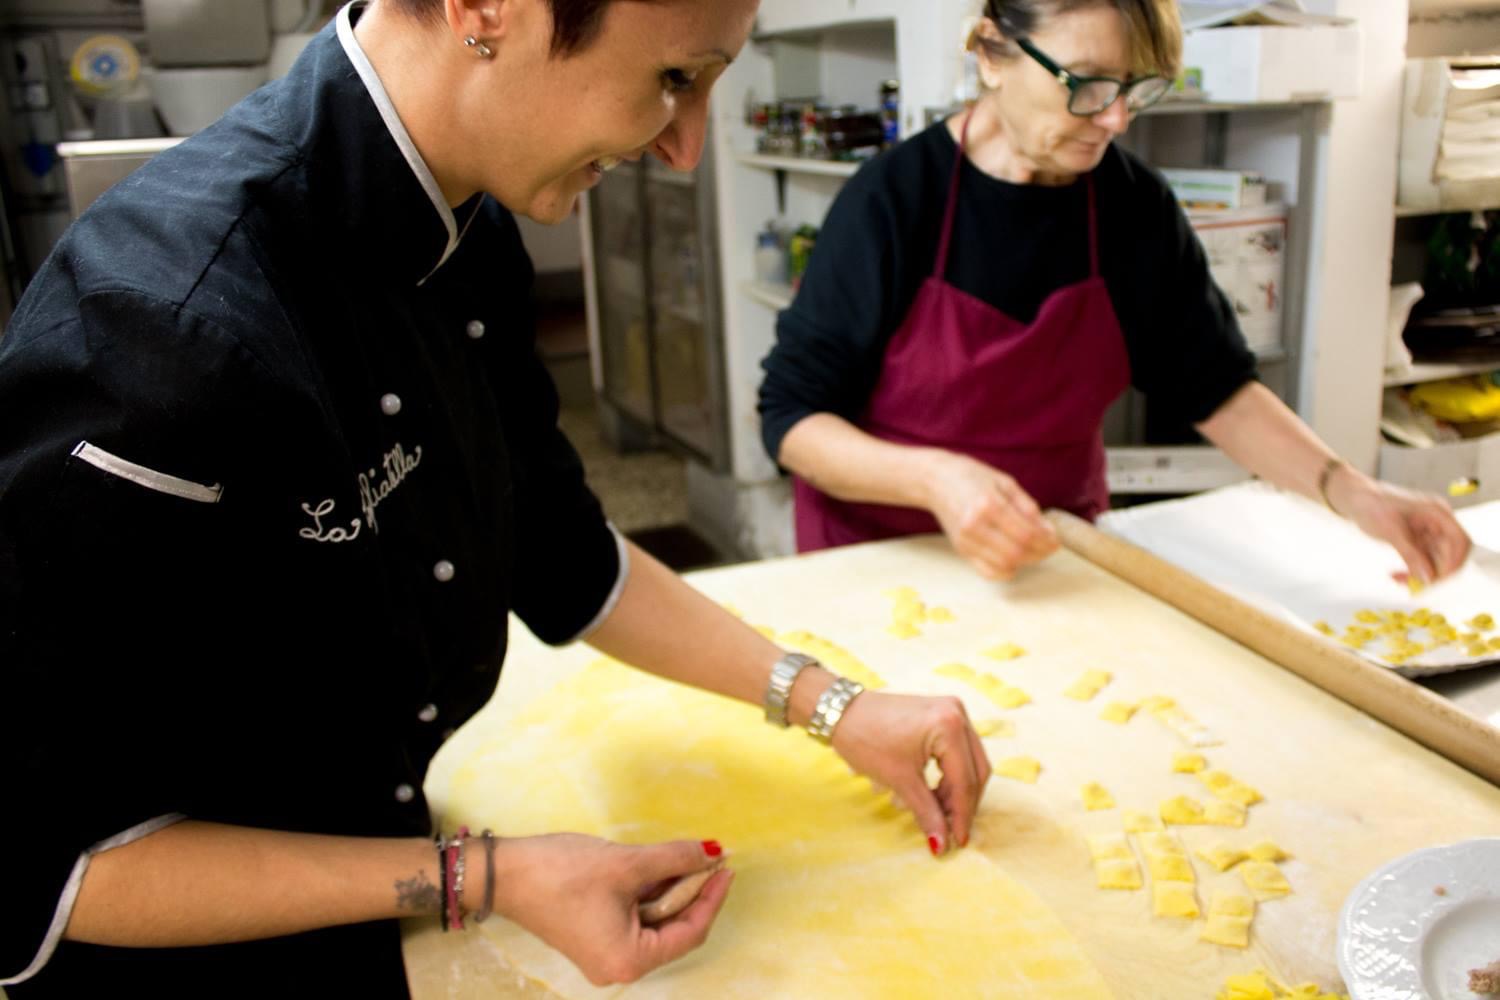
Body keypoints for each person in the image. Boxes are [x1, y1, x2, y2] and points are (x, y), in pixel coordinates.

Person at [0, 1, 991, 995]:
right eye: (677, 79)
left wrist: (833, 707)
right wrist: (482, 877)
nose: (687, 148)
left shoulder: (468, 222)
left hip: (374, 873)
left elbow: (557, 549)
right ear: (486, 9)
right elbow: (51, 863)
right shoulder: (168, 330)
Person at [758, 0, 1471, 586]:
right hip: (879, 564)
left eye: (1136, 88)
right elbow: (792, 420)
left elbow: (1215, 388)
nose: (1117, 120)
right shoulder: (893, 201)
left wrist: (1356, 493)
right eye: (1089, 82)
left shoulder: (1133, 209)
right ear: (990, 54)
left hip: (1053, 558)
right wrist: (938, 481)